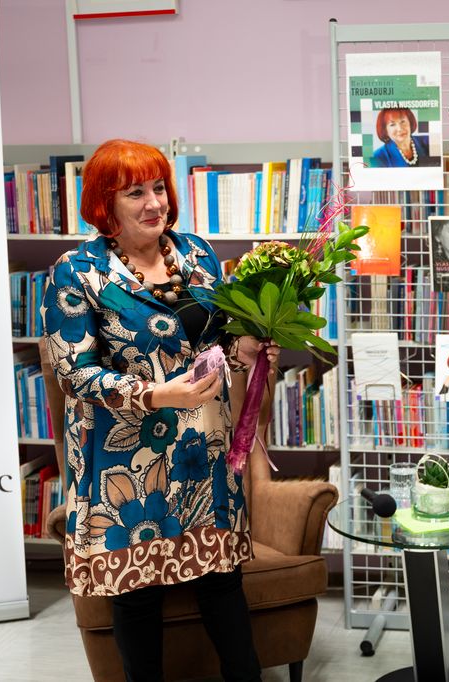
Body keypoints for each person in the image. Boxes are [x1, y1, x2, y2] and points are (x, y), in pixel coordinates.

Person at [41, 139, 279, 682]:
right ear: (104, 203)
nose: (154, 203)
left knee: (222, 581)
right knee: (138, 596)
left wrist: (245, 350)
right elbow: (73, 373)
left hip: (203, 451)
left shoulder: (196, 253)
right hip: (126, 464)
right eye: (135, 194)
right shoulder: (76, 272)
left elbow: (215, 346)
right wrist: (155, 394)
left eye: (158, 189)